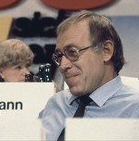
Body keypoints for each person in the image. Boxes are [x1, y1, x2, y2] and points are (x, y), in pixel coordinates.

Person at [40, 10, 139, 141]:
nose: (63, 65)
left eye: (72, 52)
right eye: (59, 56)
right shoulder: (55, 104)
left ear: (106, 51)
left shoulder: (134, 109)